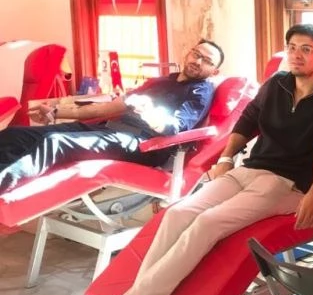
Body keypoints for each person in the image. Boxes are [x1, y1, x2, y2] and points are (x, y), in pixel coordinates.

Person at [58, 24, 313, 295]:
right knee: (177, 214)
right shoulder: (276, 84)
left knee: (207, 224)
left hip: (286, 185)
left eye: (306, 49)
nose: (296, 55)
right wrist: (225, 158)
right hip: (248, 171)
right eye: (292, 47)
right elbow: (246, 122)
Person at [0, 40, 225, 192]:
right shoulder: (162, 81)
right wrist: (57, 112)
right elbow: (109, 108)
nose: (198, 61)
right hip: (109, 128)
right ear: (188, 53)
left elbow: (175, 127)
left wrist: (150, 112)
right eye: (197, 54)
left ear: (214, 71)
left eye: (207, 61)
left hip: (143, 144)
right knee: (16, 134)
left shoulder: (200, 92)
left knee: (54, 142)